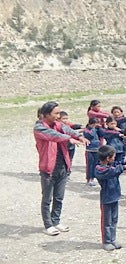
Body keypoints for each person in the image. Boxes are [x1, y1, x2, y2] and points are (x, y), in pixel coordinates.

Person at [34, 101, 87, 236]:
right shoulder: (39, 127)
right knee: (47, 199)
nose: (58, 116)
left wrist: (79, 136)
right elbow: (53, 135)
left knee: (59, 197)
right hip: (48, 169)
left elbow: (67, 129)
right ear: (46, 114)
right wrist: (69, 139)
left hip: (62, 166)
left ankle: (56, 221)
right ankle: (48, 225)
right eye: (56, 113)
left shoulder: (58, 124)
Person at [94, 145, 126, 251]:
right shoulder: (99, 169)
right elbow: (113, 172)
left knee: (114, 220)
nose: (114, 158)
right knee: (106, 221)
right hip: (106, 198)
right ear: (108, 158)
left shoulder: (111, 165)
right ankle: (106, 241)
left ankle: (112, 239)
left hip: (115, 197)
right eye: (113, 157)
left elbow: (118, 163)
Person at [83, 117, 102, 186]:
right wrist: (93, 128)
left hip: (97, 149)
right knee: (90, 165)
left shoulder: (96, 129)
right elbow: (90, 135)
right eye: (94, 124)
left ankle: (93, 178)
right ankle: (89, 179)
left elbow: (102, 134)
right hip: (90, 150)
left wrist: (100, 128)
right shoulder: (86, 130)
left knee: (96, 164)